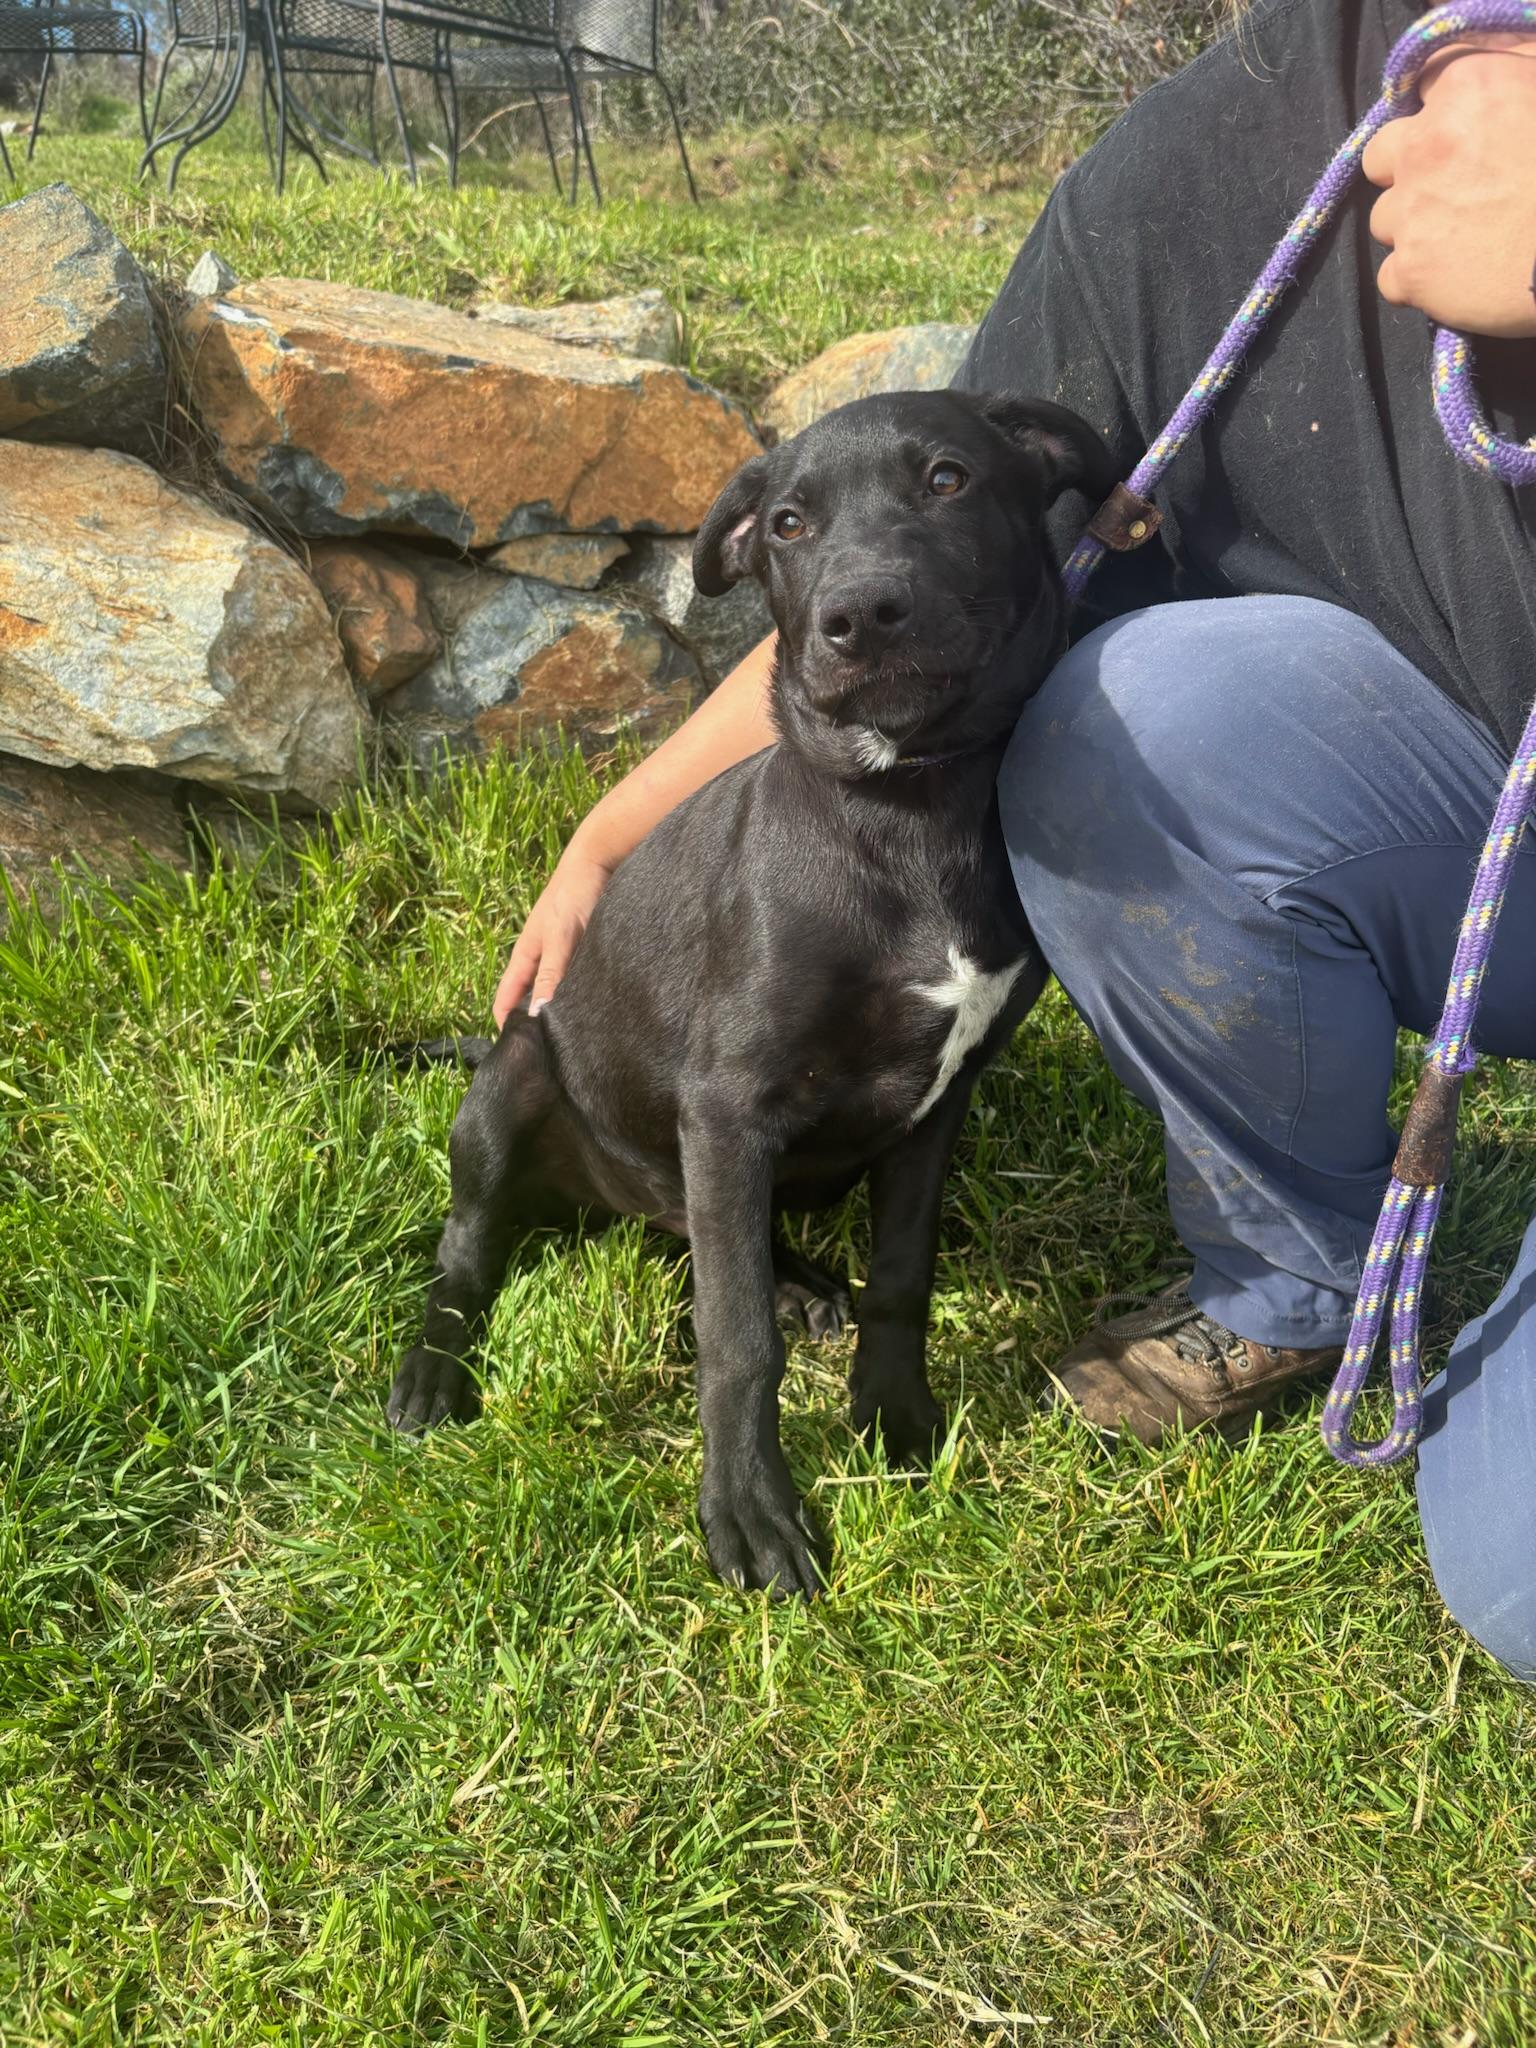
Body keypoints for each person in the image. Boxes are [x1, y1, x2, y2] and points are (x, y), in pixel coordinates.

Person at [492, 0, 1536, 1674]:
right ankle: (1293, 1283)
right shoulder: (1194, 163)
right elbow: (872, 599)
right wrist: (614, 830)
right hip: (1470, 847)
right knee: (1527, 1579)